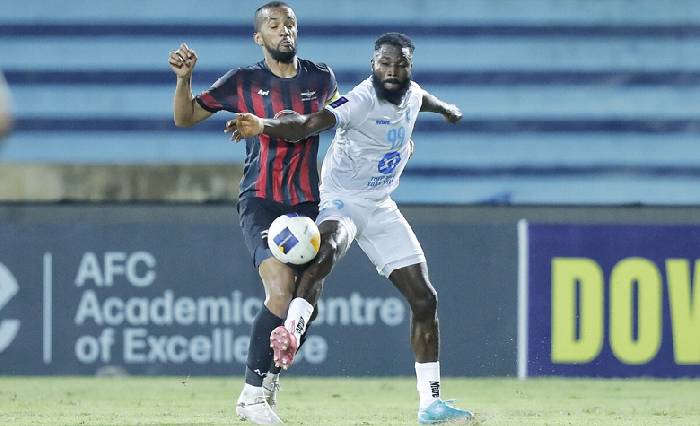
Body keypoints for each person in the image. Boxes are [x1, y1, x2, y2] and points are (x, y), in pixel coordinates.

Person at [228, 32, 474, 424]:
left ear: (410, 66)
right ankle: (291, 329)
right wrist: (264, 126)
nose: (392, 72)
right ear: (372, 65)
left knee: (425, 300)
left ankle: (431, 405)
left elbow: (424, 100)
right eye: (384, 64)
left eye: (400, 64)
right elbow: (307, 124)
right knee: (330, 245)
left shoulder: (412, 94)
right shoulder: (359, 100)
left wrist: (447, 109)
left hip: (380, 204)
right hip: (342, 198)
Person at [169, 2, 338, 424]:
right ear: (258, 37)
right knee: (280, 288)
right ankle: (250, 397)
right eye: (274, 25)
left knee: (304, 303)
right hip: (261, 201)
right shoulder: (241, 81)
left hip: (306, 205)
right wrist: (184, 79)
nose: (285, 31)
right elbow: (185, 117)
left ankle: (268, 382)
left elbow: (337, 119)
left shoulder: (321, 78)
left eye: (290, 24)